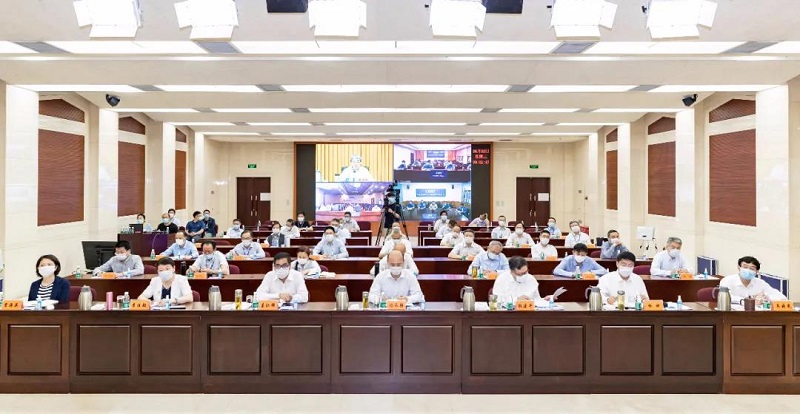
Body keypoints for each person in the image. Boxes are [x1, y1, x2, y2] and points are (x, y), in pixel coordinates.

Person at [719, 256, 787, 305]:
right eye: (745, 267)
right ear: (739, 267)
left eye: (752, 268)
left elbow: (781, 298)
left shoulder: (760, 283)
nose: (748, 270)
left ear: (757, 271)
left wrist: (766, 297)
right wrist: (746, 301)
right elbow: (725, 297)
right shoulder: (727, 280)